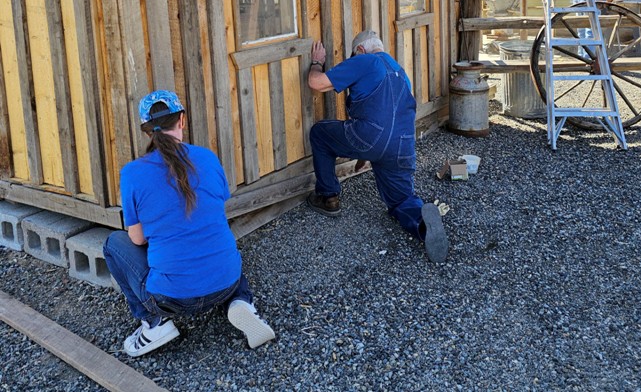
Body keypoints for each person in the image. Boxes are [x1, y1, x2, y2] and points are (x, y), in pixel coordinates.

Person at [103, 90, 275, 357]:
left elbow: (137, 239)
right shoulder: (207, 157)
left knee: (114, 242)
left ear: (146, 131)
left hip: (172, 300)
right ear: (182, 120)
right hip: (226, 283)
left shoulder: (132, 173)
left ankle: (153, 323)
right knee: (214, 235)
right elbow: (217, 207)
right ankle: (241, 300)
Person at [305, 30, 449, 263]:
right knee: (401, 200)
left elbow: (316, 83)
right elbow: (390, 116)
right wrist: (368, 154)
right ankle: (422, 226)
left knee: (320, 133)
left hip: (370, 136)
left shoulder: (365, 60)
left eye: (353, 56)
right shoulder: (400, 72)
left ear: (360, 50)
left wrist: (317, 62)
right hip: (402, 146)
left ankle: (328, 196)